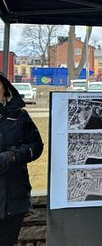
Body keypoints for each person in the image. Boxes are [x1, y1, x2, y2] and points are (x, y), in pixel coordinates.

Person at [0, 73, 43, 246]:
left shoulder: (19, 116)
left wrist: (12, 156)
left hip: (13, 198)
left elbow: (36, 146)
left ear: (5, 87)